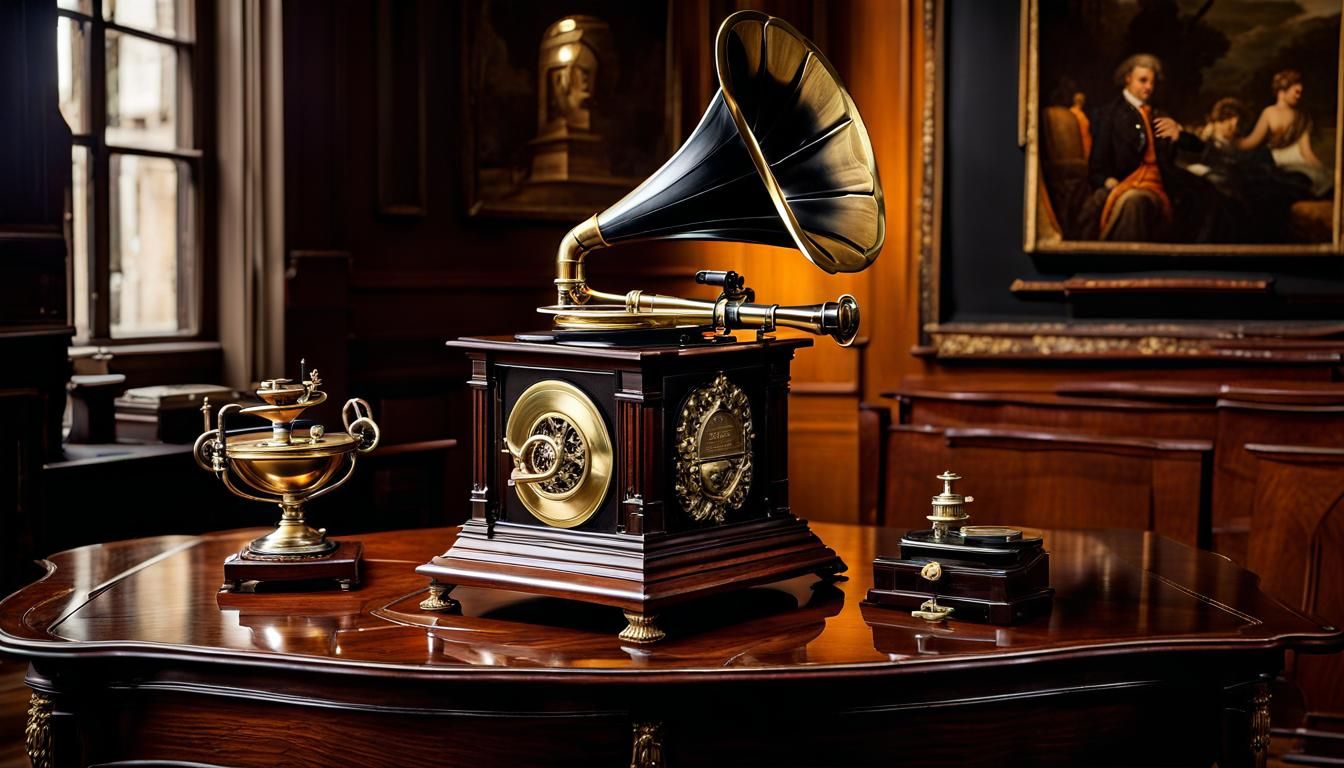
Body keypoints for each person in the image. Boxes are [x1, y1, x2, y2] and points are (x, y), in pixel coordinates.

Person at [1081, 53, 1216, 241]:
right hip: (1128, 182)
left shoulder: (1159, 113)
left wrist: (1180, 134)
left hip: (1163, 182)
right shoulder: (1108, 115)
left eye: (1152, 82)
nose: (1149, 87)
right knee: (1134, 203)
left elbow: (1198, 149)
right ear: (1127, 78)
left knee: (1209, 193)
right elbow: (1096, 168)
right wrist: (1108, 181)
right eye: (1143, 80)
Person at [1236, 69, 1331, 198]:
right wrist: (1231, 142)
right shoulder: (1269, 112)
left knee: (1322, 177)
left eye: (1300, 93)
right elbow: (1251, 142)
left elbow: (1306, 151)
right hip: (1275, 162)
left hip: (1298, 162)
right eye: (1296, 92)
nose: (1299, 96)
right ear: (1282, 92)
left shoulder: (1302, 116)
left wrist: (1321, 168)